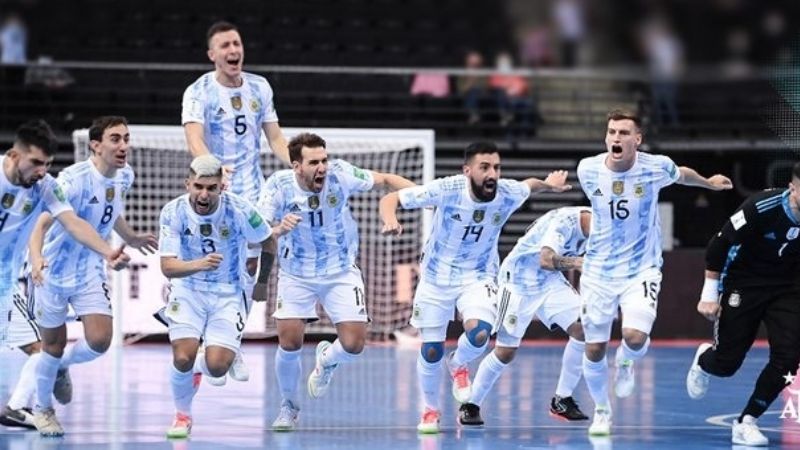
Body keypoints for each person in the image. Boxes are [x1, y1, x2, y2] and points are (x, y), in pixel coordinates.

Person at [379, 141, 571, 433]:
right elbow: (390, 199)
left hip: (478, 276)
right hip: (435, 277)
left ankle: (458, 363)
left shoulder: (506, 192)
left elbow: (528, 185)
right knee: (431, 351)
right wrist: (390, 219)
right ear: (467, 171)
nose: (492, 173)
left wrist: (549, 184)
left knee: (481, 332)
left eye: (496, 167)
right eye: (484, 167)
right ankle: (430, 410)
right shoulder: (447, 189)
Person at [576, 109, 732, 436]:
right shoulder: (587, 169)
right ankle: (602, 410)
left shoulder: (655, 167)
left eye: (623, 132)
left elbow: (681, 173)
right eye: (611, 132)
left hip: (641, 268)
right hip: (599, 271)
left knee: (634, 337)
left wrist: (708, 183)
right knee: (593, 348)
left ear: (637, 139)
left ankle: (627, 362)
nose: (615, 138)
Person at [259, 132, 414, 431]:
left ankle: (327, 359)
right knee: (289, 342)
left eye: (324, 160)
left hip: (341, 270)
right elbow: (261, 227)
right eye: (314, 162)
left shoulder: (341, 174)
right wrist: (279, 227)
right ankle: (288, 407)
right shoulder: (278, 185)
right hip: (296, 273)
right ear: (296, 166)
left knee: (354, 344)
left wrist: (424, 195)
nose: (322, 167)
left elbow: (384, 179)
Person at [28, 116, 157, 437]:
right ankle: (43, 410)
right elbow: (39, 223)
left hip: (88, 269)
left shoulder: (125, 176)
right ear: (96, 145)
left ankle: (62, 367)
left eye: (126, 138)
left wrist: (131, 236)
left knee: (100, 340)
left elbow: (111, 212)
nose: (124, 145)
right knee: (51, 344)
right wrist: (36, 258)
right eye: (115, 139)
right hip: (52, 270)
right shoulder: (71, 180)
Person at [181, 20, 290, 385]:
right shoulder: (198, 92)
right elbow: (194, 139)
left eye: (237, 43)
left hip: (253, 190)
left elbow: (274, 138)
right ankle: (207, 337)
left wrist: (297, 163)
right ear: (212, 55)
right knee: (219, 264)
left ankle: (233, 340)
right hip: (215, 192)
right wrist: (212, 169)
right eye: (225, 45)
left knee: (251, 261)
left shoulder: (260, 86)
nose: (233, 50)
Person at [159, 155, 290, 438]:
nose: (204, 194)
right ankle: (182, 416)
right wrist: (199, 264)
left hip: (228, 292)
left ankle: (202, 362)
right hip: (188, 289)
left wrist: (262, 282)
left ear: (222, 187)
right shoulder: (173, 212)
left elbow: (268, 240)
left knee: (218, 369)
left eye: (211, 188)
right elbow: (167, 266)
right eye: (198, 187)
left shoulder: (241, 210)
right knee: (182, 357)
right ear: (187, 184)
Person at [686, 162, 800, 446]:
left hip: (788, 288)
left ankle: (747, 420)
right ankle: (704, 360)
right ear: (793, 187)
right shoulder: (761, 206)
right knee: (726, 364)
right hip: (745, 283)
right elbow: (719, 245)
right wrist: (709, 294)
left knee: (788, 359)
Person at [460, 206, 592, 426]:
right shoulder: (564, 222)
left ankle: (562, 400)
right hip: (518, 282)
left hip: (550, 282)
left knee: (584, 327)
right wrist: (578, 263)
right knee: (505, 352)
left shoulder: (603, 229)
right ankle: (471, 405)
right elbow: (546, 260)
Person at [0, 119, 128, 342]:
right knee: (39, 348)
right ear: (13, 156)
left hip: (4, 284)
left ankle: (58, 371)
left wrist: (108, 252)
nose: (42, 171)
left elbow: (73, 222)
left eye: (48, 164)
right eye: (36, 162)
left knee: (38, 350)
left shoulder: (46, 186)